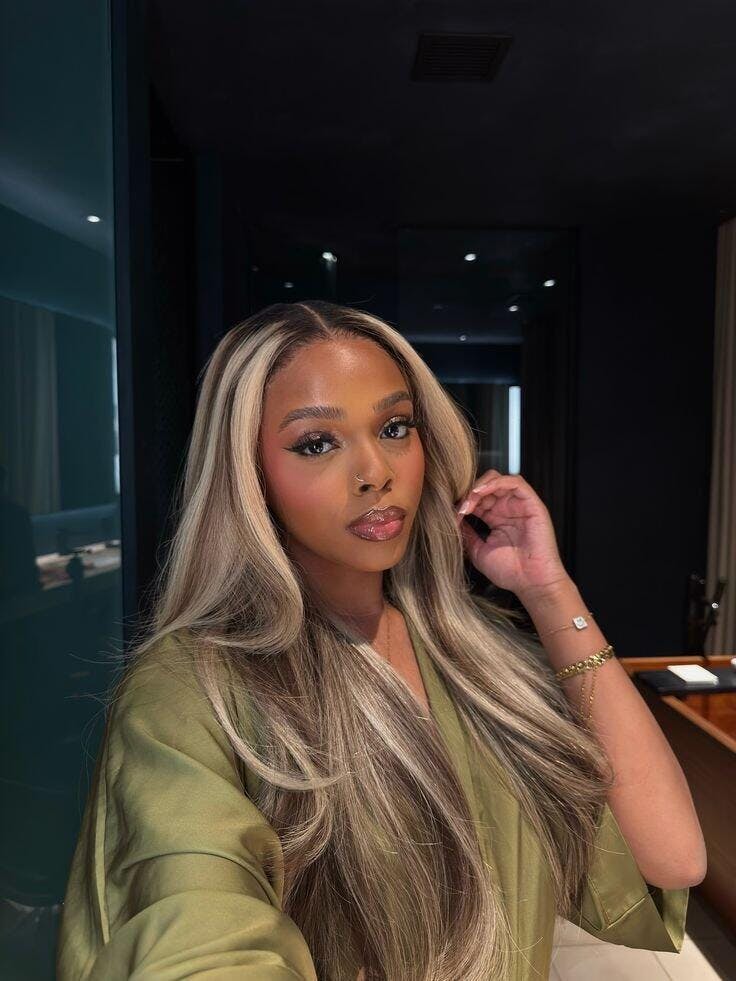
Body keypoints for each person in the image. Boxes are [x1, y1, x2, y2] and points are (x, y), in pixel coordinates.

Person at [56, 300, 705, 980]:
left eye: (395, 428)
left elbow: (672, 856)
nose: (375, 470)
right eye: (317, 443)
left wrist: (549, 592)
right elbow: (193, 935)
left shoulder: (477, 655)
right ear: (248, 472)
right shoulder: (193, 689)